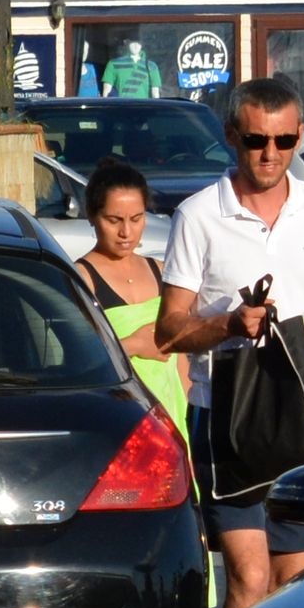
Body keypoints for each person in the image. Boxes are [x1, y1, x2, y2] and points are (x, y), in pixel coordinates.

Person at [156, 78, 304, 608]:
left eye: (283, 141)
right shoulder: (198, 215)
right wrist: (230, 325)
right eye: (257, 140)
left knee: (294, 582)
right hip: (228, 419)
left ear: (299, 137)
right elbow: (169, 331)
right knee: (250, 577)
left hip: (303, 417)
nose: (270, 154)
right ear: (233, 136)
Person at [75, 158, 190, 444]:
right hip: (117, 417)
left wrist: (190, 411)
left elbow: (181, 358)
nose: (126, 233)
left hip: (171, 415)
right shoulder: (82, 279)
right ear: (92, 215)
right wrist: (135, 345)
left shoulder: (160, 271)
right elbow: (78, 359)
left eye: (136, 219)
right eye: (114, 220)